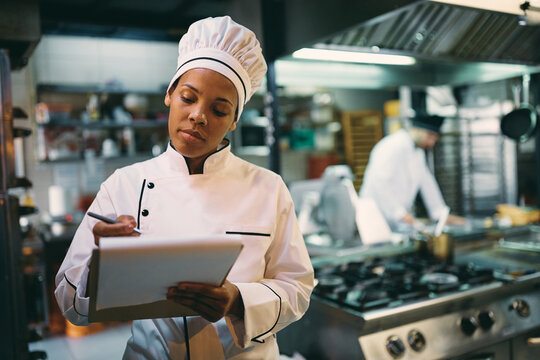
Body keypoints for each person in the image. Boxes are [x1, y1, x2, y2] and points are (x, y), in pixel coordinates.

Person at [55, 16, 314, 359]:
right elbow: (69, 303)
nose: (198, 116)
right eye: (188, 98)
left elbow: (297, 288)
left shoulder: (268, 187)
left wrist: (237, 299)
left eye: (219, 110)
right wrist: (99, 263)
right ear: (169, 95)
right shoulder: (124, 185)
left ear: (234, 120)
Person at [359, 114, 465, 231]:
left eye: (435, 138)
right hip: (375, 217)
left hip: (398, 222)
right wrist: (399, 213)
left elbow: (428, 184)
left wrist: (440, 212)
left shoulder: (418, 154)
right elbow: (379, 183)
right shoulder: (390, 146)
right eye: (430, 136)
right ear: (416, 129)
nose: (432, 143)